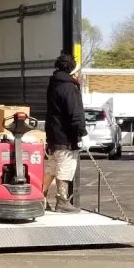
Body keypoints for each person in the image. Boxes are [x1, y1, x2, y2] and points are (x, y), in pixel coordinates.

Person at [43, 54, 87, 213]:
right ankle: (61, 200)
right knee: (65, 167)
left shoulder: (54, 85)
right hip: (66, 137)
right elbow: (75, 114)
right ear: (73, 72)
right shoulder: (69, 88)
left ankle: (40, 197)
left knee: (52, 167)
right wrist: (81, 133)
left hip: (54, 134)